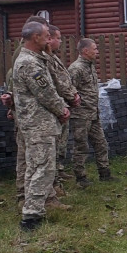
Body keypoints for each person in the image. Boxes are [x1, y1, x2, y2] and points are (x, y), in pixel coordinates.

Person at [11, 20, 70, 231]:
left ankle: (31, 206)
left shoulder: (35, 58)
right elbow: (45, 93)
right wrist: (62, 109)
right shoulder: (29, 63)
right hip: (38, 123)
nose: (49, 38)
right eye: (46, 35)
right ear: (35, 37)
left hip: (38, 122)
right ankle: (32, 216)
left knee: (35, 166)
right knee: (43, 167)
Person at [68, 38, 112, 186]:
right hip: (81, 115)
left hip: (93, 113)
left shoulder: (90, 66)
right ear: (85, 51)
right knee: (81, 146)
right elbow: (69, 91)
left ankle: (104, 173)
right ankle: (81, 178)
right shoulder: (76, 69)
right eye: (94, 49)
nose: (97, 52)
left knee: (101, 143)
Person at [45, 26, 80, 182]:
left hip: (63, 103)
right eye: (58, 38)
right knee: (55, 142)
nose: (60, 41)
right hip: (55, 105)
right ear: (50, 39)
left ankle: (59, 169)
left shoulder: (54, 57)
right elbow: (58, 82)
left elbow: (65, 79)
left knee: (62, 141)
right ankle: (55, 176)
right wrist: (71, 96)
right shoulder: (45, 59)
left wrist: (73, 95)